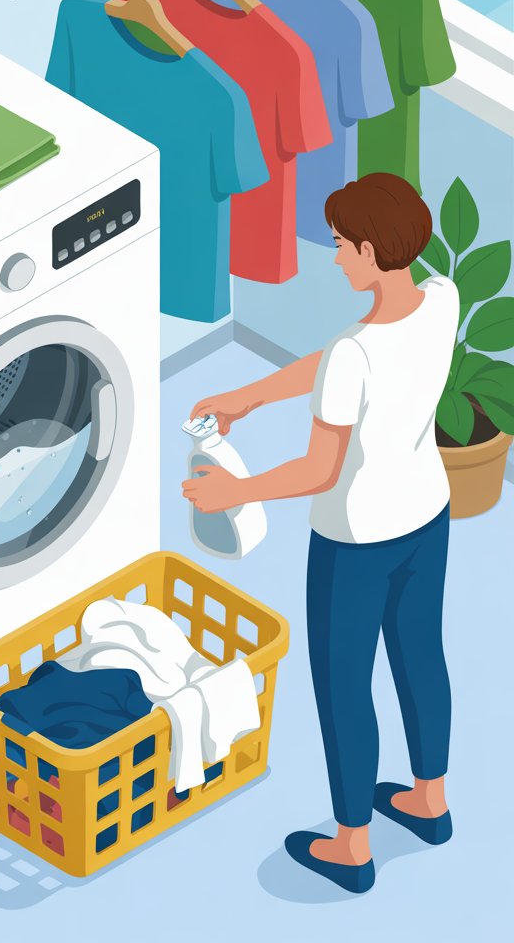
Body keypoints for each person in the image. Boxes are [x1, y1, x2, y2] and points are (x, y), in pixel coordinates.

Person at [183, 172, 459, 895]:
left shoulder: (354, 354)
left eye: (341, 247)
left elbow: (316, 468)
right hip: (427, 517)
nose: (335, 259)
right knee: (421, 655)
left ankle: (352, 845)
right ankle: (430, 802)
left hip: (356, 541)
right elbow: (337, 365)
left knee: (344, 688)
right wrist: (246, 396)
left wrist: (234, 489)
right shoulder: (440, 301)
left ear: (370, 251)